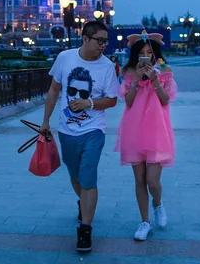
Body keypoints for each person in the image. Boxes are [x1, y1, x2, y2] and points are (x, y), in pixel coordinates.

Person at [40, 21, 119, 253]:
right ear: (85, 39)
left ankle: (85, 230)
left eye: (106, 40)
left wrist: (89, 103)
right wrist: (45, 121)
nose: (104, 45)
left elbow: (112, 100)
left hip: (94, 131)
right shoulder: (65, 58)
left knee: (88, 178)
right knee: (75, 176)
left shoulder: (107, 67)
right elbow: (54, 90)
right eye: (100, 40)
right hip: (67, 131)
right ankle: (83, 202)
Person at [114, 31, 177, 241]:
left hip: (157, 128)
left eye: (149, 52)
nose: (146, 56)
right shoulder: (129, 71)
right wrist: (135, 81)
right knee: (139, 179)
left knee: (153, 181)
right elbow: (128, 101)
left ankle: (157, 204)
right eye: (142, 53)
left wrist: (154, 79)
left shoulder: (165, 70)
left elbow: (166, 100)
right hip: (134, 128)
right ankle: (144, 222)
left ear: (155, 53)